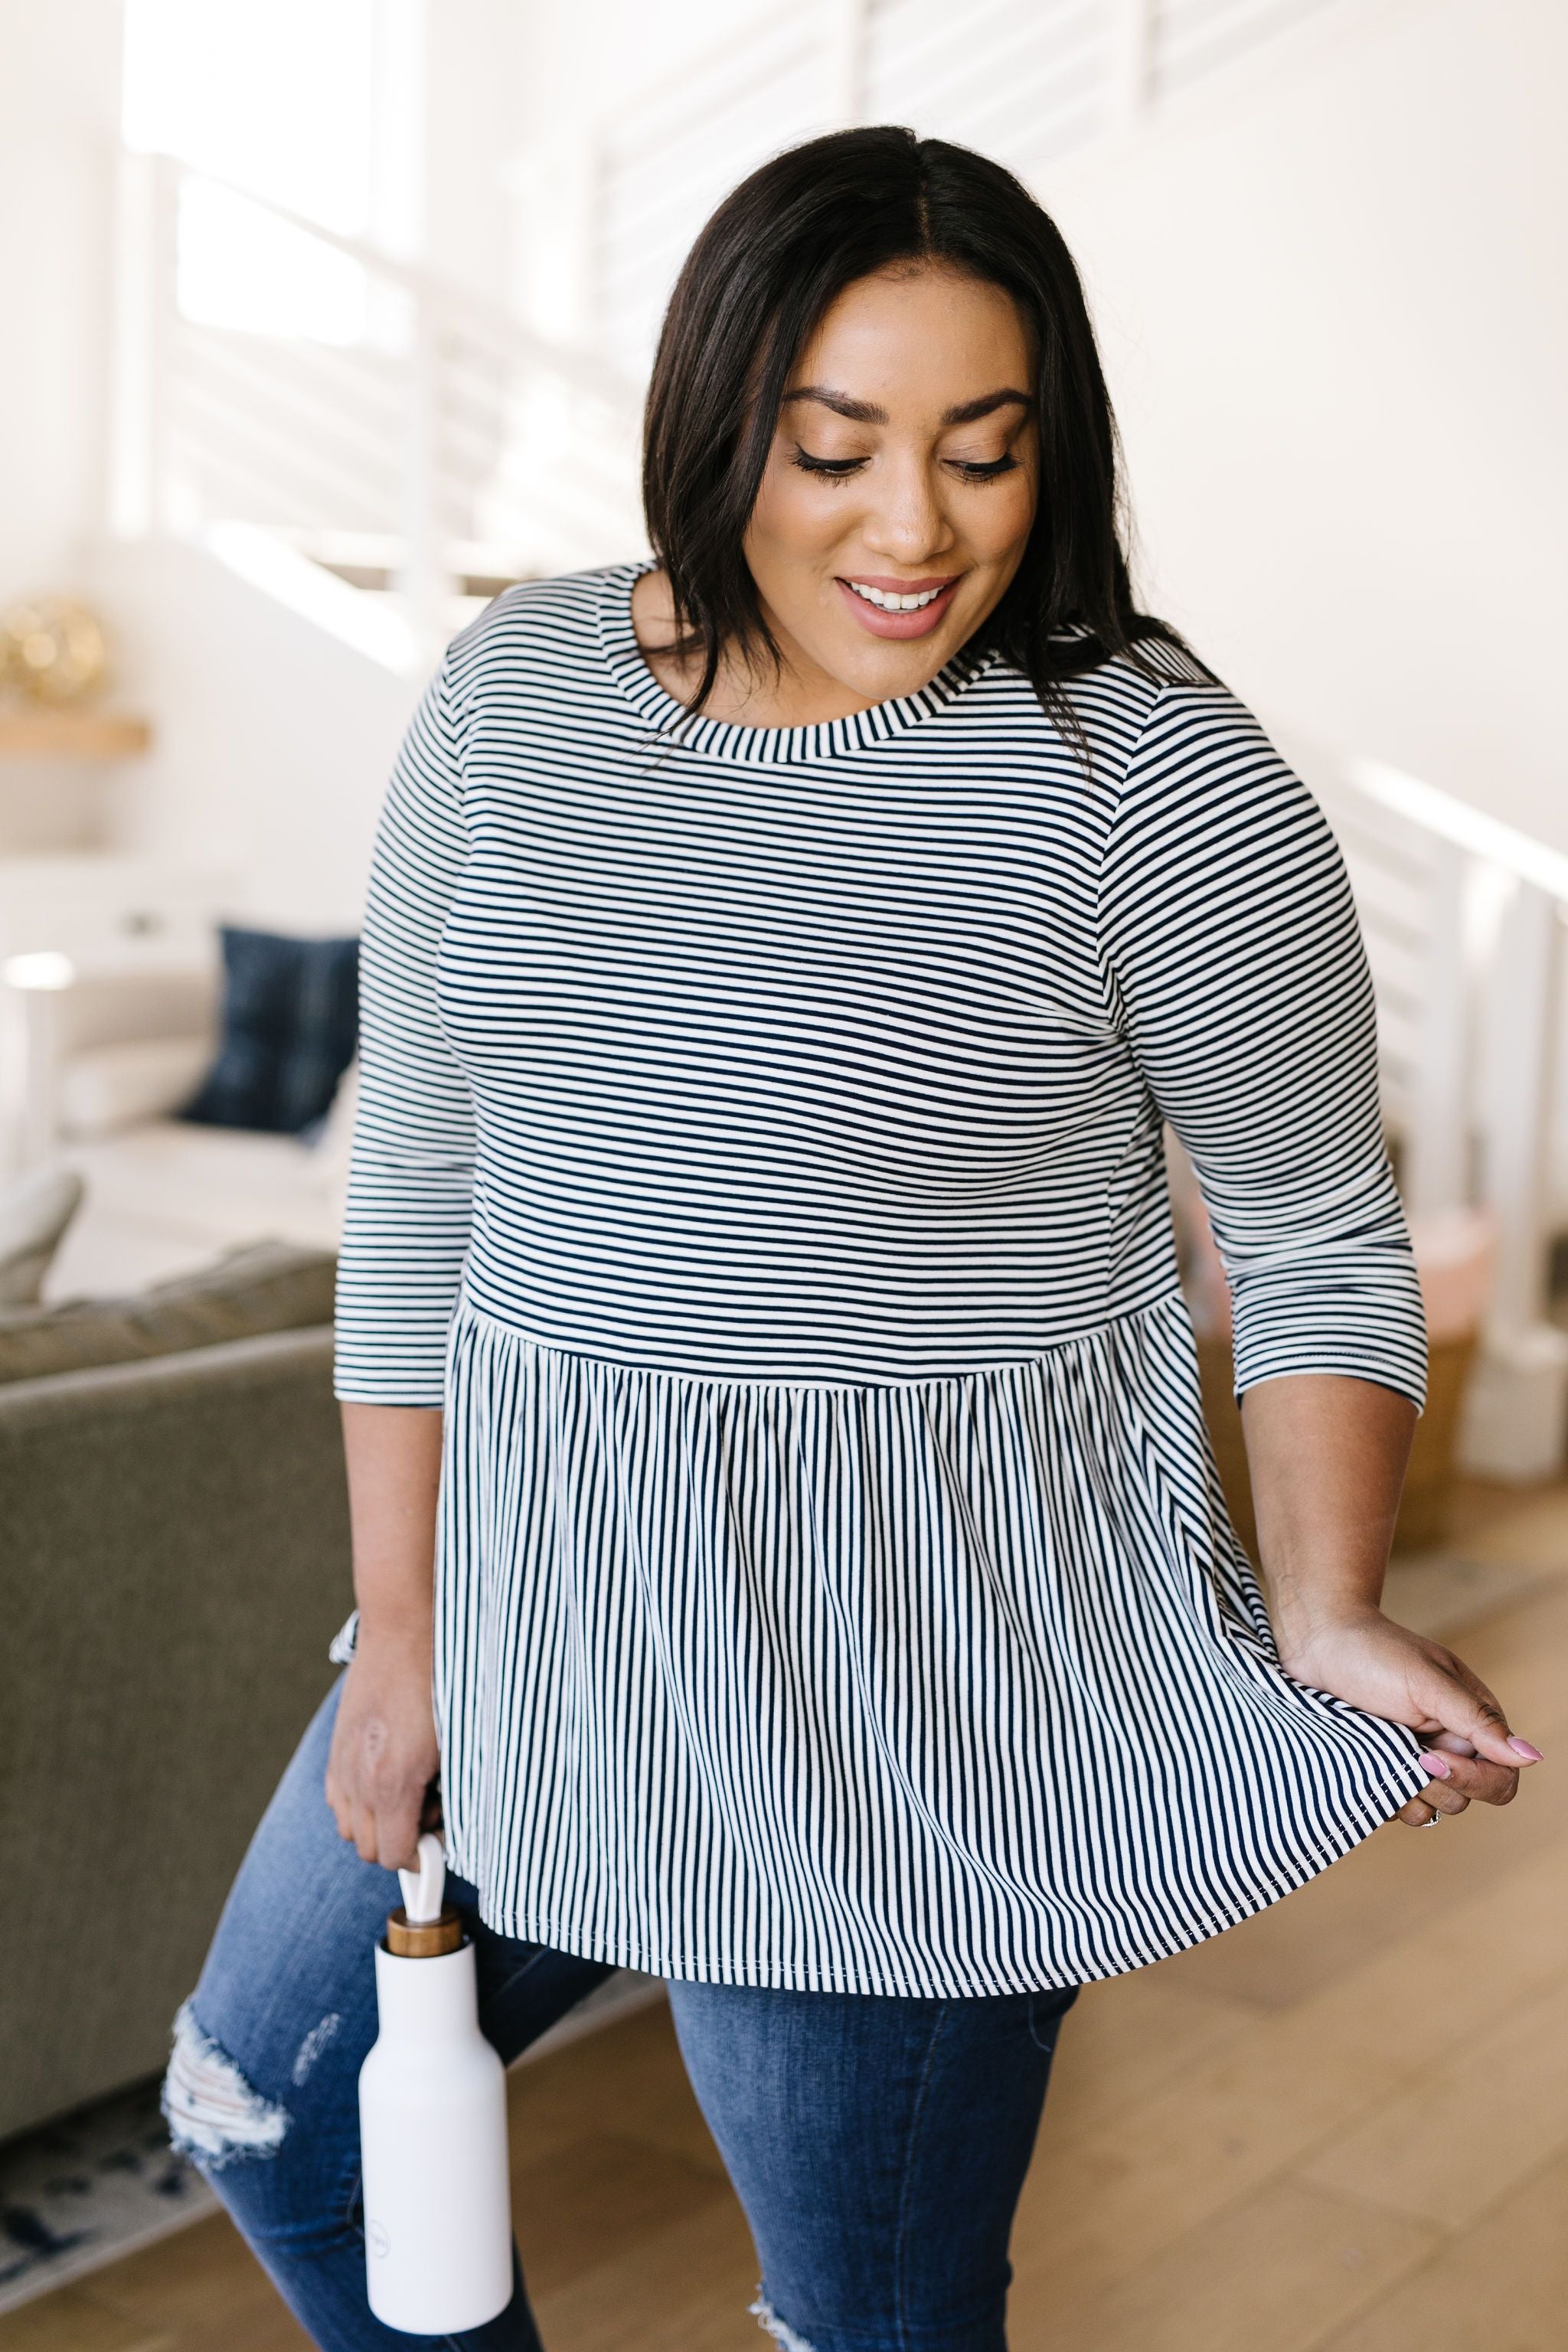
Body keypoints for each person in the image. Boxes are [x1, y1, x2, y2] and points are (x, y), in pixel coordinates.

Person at [163, 126, 1540, 2352]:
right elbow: (418, 1179)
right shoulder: (515, 706)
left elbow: (1307, 1225)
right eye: (836, 451)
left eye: (987, 459)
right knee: (267, 2111)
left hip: (915, 1680)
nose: (915, 532)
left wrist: (1329, 1602)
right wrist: (404, 1637)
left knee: (867, 2327)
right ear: (721, 425)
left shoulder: (1154, 782)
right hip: (544, 1603)